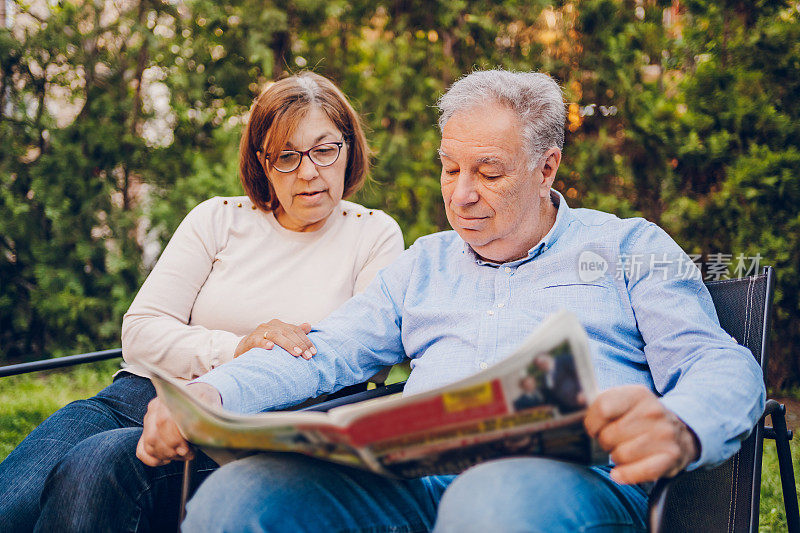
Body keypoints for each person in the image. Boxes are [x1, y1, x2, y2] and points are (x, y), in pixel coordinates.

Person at [139, 69, 765, 532]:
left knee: (491, 502)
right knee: (243, 497)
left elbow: (721, 363)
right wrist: (213, 396)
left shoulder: (628, 247)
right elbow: (321, 353)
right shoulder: (424, 264)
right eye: (449, 169)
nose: (461, 194)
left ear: (547, 169)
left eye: (488, 173)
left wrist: (680, 425)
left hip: (563, 489)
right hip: (414, 484)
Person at [0, 71, 404, 532]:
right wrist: (235, 349)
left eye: (325, 149)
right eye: (286, 157)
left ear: (348, 148)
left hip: (249, 422)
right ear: (263, 163)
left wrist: (238, 377)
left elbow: (367, 362)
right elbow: (140, 332)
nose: (309, 171)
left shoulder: (373, 234)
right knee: (12, 498)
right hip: (140, 394)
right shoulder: (218, 218)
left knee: (95, 466)